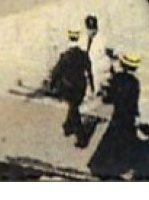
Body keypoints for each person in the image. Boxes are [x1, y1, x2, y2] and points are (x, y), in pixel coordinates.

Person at [89, 52, 142, 180]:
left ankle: (103, 167)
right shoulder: (135, 82)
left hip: (118, 115)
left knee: (112, 140)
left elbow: (109, 98)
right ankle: (121, 168)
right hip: (130, 116)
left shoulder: (118, 78)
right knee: (125, 142)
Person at [50, 29, 96, 147]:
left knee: (74, 109)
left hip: (68, 87)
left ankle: (82, 138)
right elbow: (89, 72)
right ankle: (68, 127)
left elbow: (56, 71)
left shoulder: (65, 55)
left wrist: (52, 84)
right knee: (73, 106)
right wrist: (92, 86)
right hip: (81, 87)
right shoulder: (84, 55)